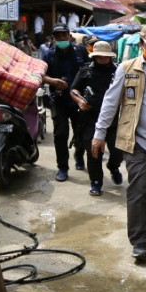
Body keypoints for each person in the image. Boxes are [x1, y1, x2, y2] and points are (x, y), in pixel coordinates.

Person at [92, 24, 146, 263]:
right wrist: (99, 134)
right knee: (140, 188)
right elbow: (111, 102)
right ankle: (139, 241)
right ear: (142, 45)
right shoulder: (126, 68)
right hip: (135, 140)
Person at [69, 41, 124, 196]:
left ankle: (113, 167)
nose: (103, 59)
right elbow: (73, 89)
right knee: (94, 152)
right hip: (91, 118)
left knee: (118, 151)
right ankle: (96, 182)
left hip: (114, 119)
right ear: (94, 56)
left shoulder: (119, 71)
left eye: (106, 57)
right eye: (99, 57)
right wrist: (80, 101)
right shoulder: (85, 71)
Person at [44, 22, 86, 180]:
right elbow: (41, 75)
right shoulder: (49, 55)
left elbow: (90, 69)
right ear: (54, 38)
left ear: (69, 35)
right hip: (59, 100)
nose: (61, 38)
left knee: (80, 131)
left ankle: (79, 156)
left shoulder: (80, 51)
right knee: (60, 134)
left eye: (64, 35)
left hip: (79, 100)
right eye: (58, 36)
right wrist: (53, 81)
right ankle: (62, 167)